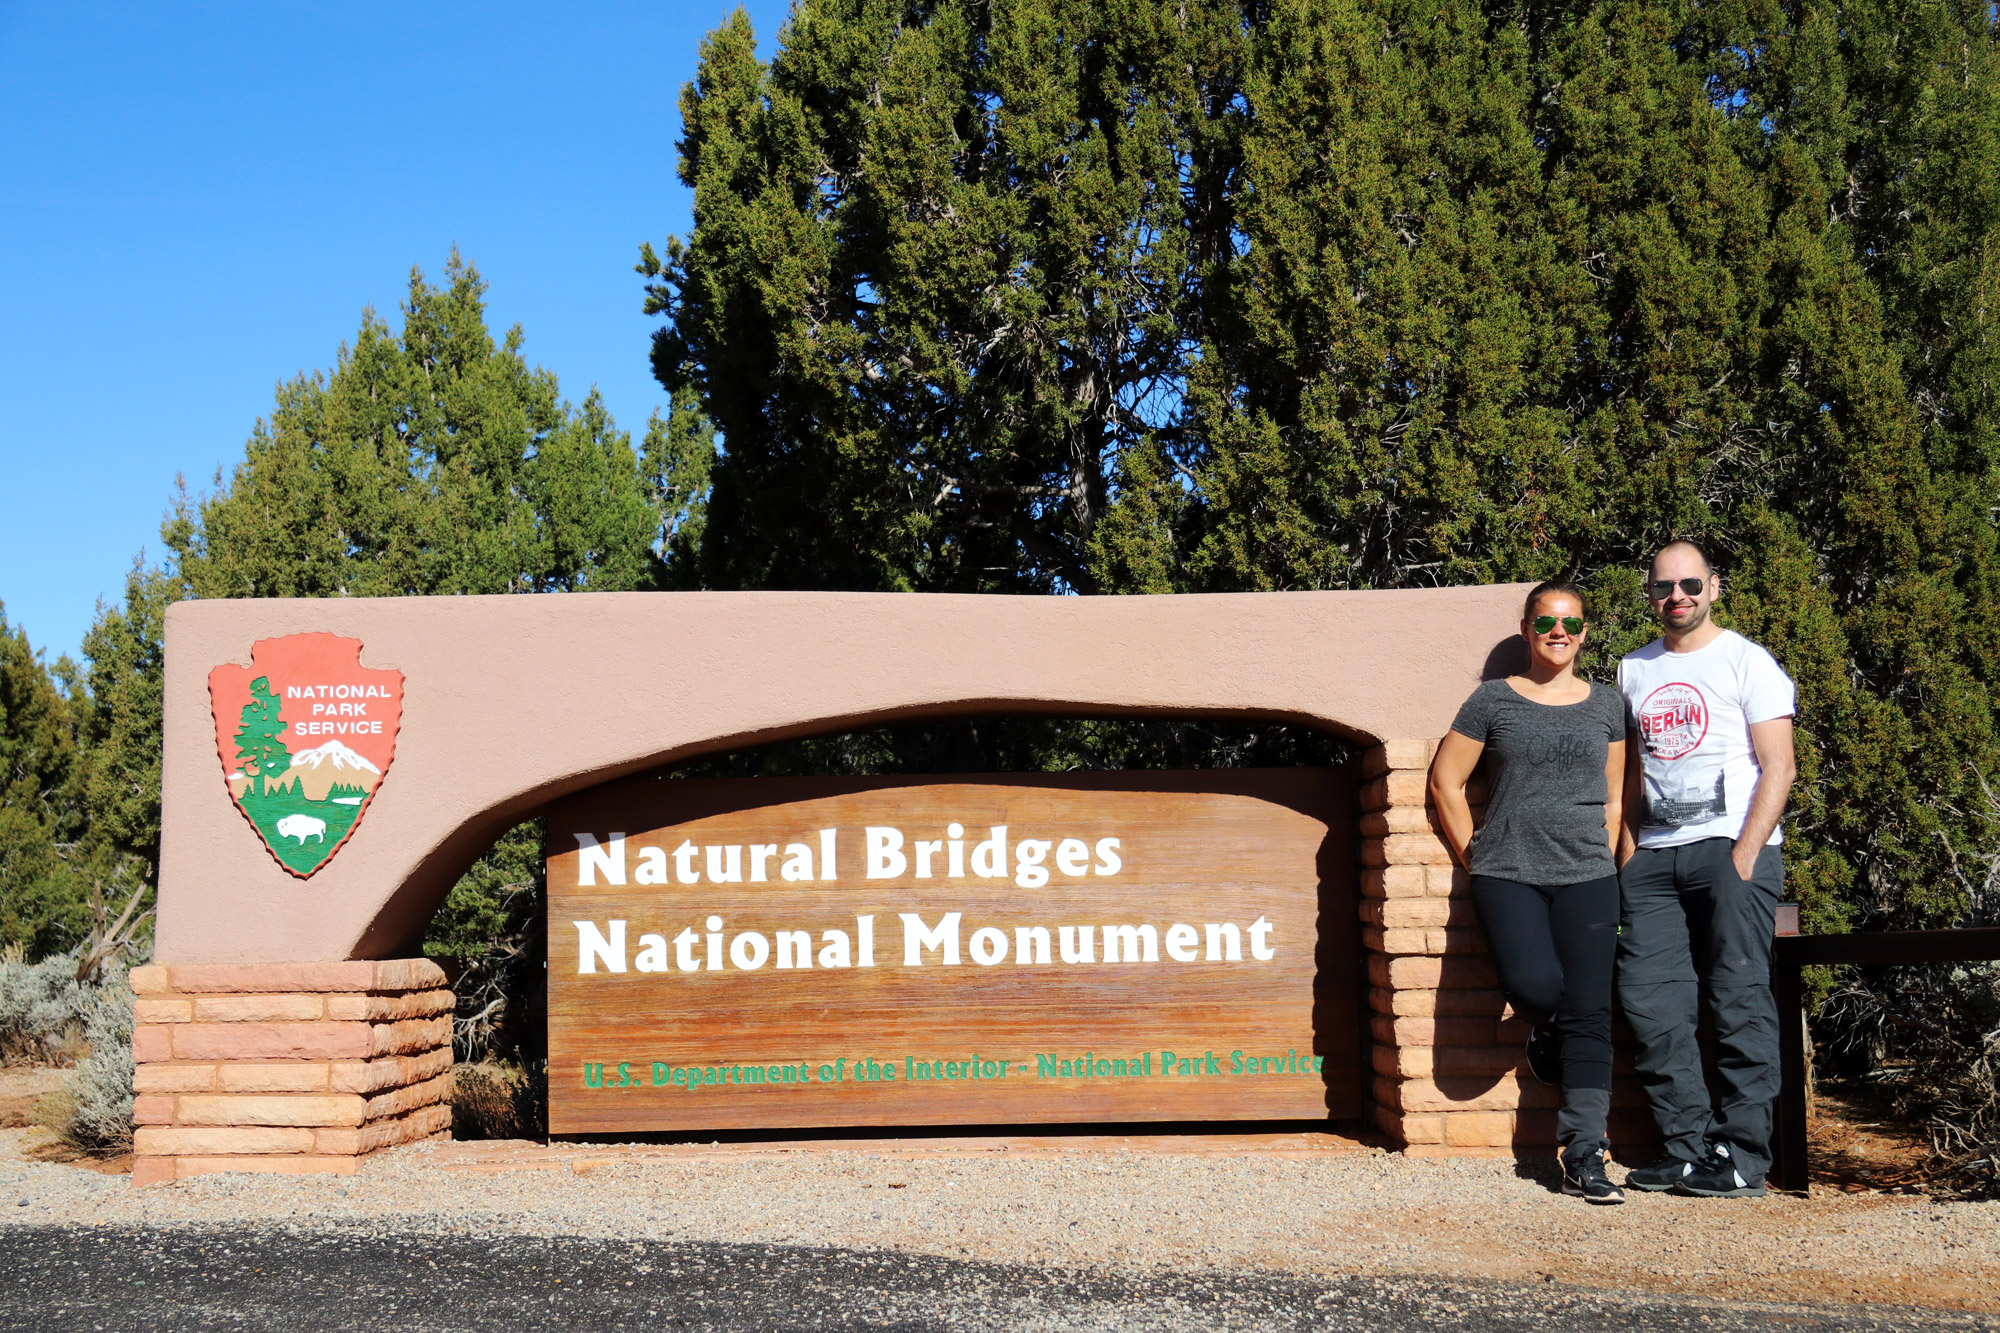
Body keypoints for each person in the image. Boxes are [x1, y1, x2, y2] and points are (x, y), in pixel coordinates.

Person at [1431, 581, 1628, 1204]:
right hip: (1508, 871)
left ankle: (1584, 1152)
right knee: (1534, 988)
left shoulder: (1607, 705)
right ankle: (1546, 1031)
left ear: (1585, 632)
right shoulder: (1492, 700)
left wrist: (1613, 863)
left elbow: (1617, 796)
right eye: (1545, 621)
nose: (1558, 632)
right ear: (1526, 629)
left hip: (1589, 876)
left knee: (1594, 1013)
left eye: (1570, 623)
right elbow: (1446, 781)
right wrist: (1477, 856)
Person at [1616, 540, 1797, 1198]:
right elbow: (1635, 770)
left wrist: (1744, 854)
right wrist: (1630, 854)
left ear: (1714, 587)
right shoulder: (1632, 669)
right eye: (1664, 585)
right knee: (1650, 1001)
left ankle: (1745, 1156)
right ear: (1650, 593)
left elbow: (1779, 764)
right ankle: (1687, 1147)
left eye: (1690, 583)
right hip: (1654, 856)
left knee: (1738, 998)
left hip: (1730, 850)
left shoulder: (1748, 661)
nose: (1678, 596)